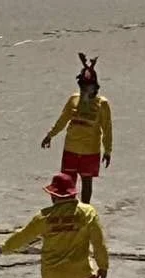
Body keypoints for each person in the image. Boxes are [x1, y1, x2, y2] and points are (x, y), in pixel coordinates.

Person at [42, 54, 113, 204]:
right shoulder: (73, 100)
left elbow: (107, 128)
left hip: (90, 151)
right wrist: (50, 135)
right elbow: (63, 120)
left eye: (88, 86)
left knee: (87, 183)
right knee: (67, 183)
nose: (84, 89)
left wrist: (107, 150)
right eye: (82, 86)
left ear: (95, 87)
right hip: (71, 149)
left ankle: (85, 210)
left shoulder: (102, 104)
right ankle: (68, 209)